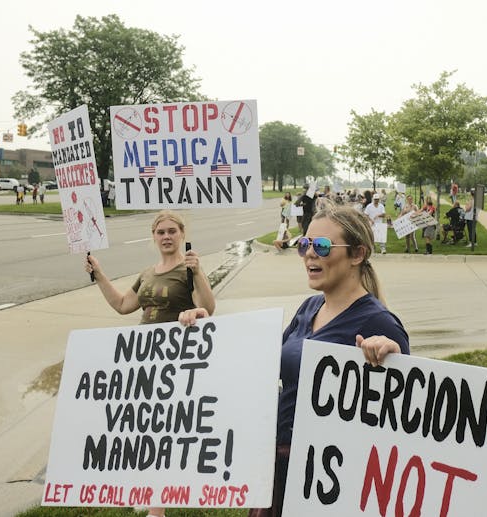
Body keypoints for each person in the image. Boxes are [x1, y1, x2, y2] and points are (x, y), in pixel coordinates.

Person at [178, 205, 410, 517]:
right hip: (281, 462)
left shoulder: (378, 322)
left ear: (357, 254)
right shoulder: (309, 307)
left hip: (330, 477)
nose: (310, 254)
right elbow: (265, 363)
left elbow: (406, 412)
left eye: (322, 246)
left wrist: (391, 353)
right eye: (304, 245)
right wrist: (209, 330)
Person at [85, 210, 216, 517]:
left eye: (172, 231)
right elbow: (122, 305)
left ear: (182, 234)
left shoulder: (189, 269)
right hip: (143, 361)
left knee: (163, 431)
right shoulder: (147, 274)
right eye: (161, 232)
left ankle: (156, 509)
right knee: (145, 429)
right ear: (154, 237)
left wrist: (198, 273)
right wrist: (99, 275)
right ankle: (151, 490)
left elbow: (208, 307)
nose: (166, 236)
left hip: (176, 361)